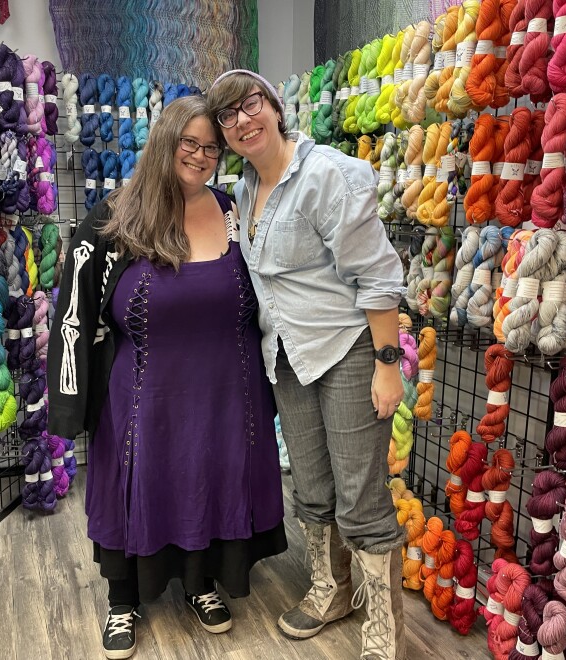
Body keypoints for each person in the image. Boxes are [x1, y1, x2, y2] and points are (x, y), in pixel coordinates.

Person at [47, 95, 287, 660]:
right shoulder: (115, 217)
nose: (202, 156)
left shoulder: (233, 211)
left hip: (226, 396)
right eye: (190, 144)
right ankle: (123, 599)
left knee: (208, 482)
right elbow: (73, 314)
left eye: (211, 147)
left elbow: (272, 294)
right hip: (142, 398)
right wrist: (67, 405)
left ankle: (201, 584)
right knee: (139, 488)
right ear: (165, 143)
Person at [208, 71, 407, 660]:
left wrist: (387, 363)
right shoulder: (243, 190)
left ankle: (384, 627)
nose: (243, 121)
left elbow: (376, 275)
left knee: (361, 494)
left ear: (274, 106)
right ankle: (330, 589)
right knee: (313, 488)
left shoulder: (330, 175)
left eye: (251, 105)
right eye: (229, 116)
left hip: (346, 350)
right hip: (287, 358)